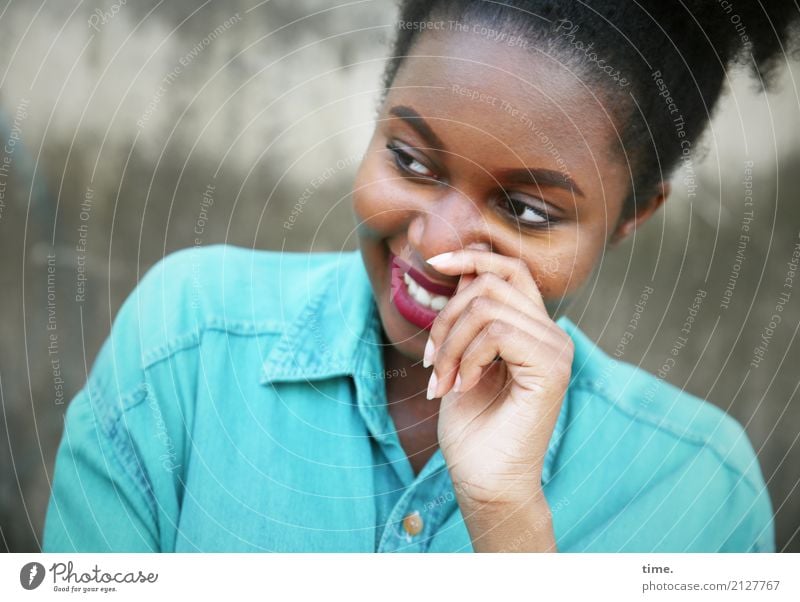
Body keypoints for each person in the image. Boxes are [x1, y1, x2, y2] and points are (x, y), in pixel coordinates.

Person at [43, 1, 799, 552]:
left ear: (633, 215)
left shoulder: (701, 495)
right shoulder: (187, 345)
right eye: (409, 160)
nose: (437, 244)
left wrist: (506, 516)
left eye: (527, 210)